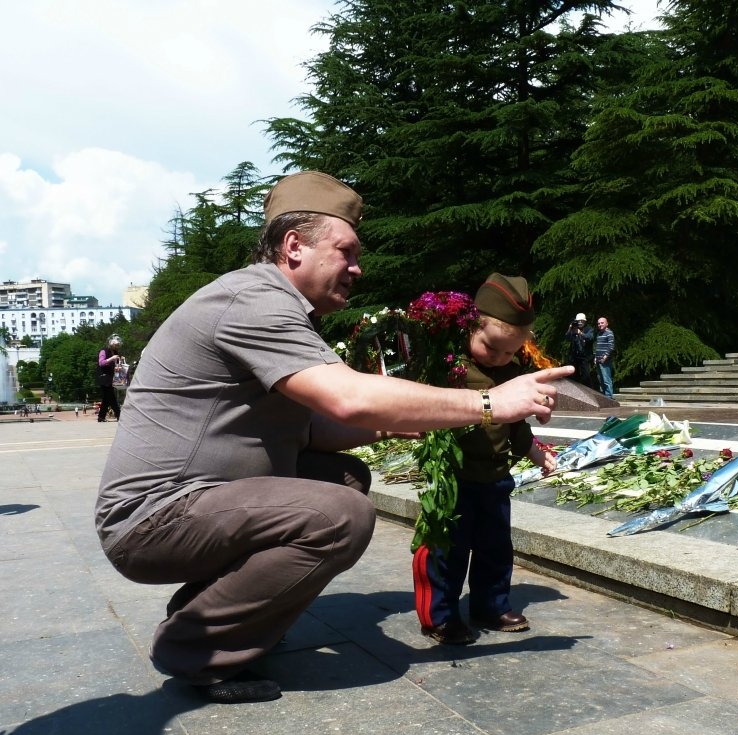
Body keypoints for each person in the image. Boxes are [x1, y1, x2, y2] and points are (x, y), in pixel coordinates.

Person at [94, 171, 572, 704]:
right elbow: (348, 397)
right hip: (154, 517)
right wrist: (489, 404)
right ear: (294, 246)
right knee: (340, 515)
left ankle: (212, 616)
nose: (356, 267)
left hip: (198, 500)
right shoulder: (253, 301)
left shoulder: (272, 304)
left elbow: (319, 427)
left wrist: (413, 417)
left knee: (343, 477)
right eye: (345, 251)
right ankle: (194, 649)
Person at [414, 273, 557, 645]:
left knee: (495, 548)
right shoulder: (451, 368)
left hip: (495, 477)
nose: (500, 358)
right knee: (450, 549)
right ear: (471, 328)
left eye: (510, 352)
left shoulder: (510, 374)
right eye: (491, 347)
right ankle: (441, 615)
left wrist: (536, 452)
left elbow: (516, 425)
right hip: (454, 480)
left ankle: (490, 605)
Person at [96, 334, 124, 422]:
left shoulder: (115, 353)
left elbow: (116, 365)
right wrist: (112, 358)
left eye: (118, 346)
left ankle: (101, 416)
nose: (117, 347)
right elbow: (101, 363)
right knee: (111, 397)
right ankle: (119, 415)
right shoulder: (104, 351)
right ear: (111, 344)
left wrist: (120, 360)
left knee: (107, 398)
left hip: (111, 377)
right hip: (104, 377)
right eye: (116, 345)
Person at [565, 312, 593, 386]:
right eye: (578, 321)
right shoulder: (574, 329)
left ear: (585, 321)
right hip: (575, 356)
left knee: (586, 376)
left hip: (585, 357)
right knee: (574, 375)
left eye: (582, 321)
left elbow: (590, 337)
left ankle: (588, 391)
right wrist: (569, 328)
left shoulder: (589, 329)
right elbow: (567, 338)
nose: (580, 322)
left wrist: (580, 333)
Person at [594, 316, 616, 398]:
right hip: (598, 360)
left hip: (605, 361)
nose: (600, 324)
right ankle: (604, 396)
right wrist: (595, 357)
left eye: (602, 323)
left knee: (607, 379)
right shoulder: (599, 333)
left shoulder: (609, 333)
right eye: (598, 323)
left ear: (607, 323)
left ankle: (609, 397)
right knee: (601, 379)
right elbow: (597, 346)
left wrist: (605, 357)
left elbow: (611, 346)